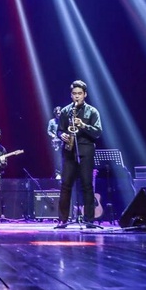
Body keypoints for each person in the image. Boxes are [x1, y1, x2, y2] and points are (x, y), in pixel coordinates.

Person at [55, 80, 102, 229]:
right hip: (69, 151)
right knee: (65, 185)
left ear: (85, 94)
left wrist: (83, 125)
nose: (77, 96)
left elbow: (97, 132)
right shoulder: (65, 111)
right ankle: (62, 219)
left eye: (79, 94)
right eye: (74, 94)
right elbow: (59, 130)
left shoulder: (92, 111)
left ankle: (89, 220)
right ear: (71, 95)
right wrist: (61, 135)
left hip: (86, 151)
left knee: (87, 185)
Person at [46, 106, 62, 179]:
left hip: (63, 141)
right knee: (57, 158)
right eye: (57, 113)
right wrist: (53, 136)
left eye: (59, 113)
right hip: (56, 142)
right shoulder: (51, 121)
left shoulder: (64, 121)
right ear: (55, 113)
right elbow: (48, 131)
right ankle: (57, 173)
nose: (58, 114)